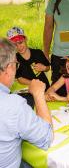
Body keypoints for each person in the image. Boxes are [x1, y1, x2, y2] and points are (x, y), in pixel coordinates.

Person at [0, 38, 53, 168]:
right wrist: (39, 94)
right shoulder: (13, 105)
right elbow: (46, 138)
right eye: (15, 65)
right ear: (8, 68)